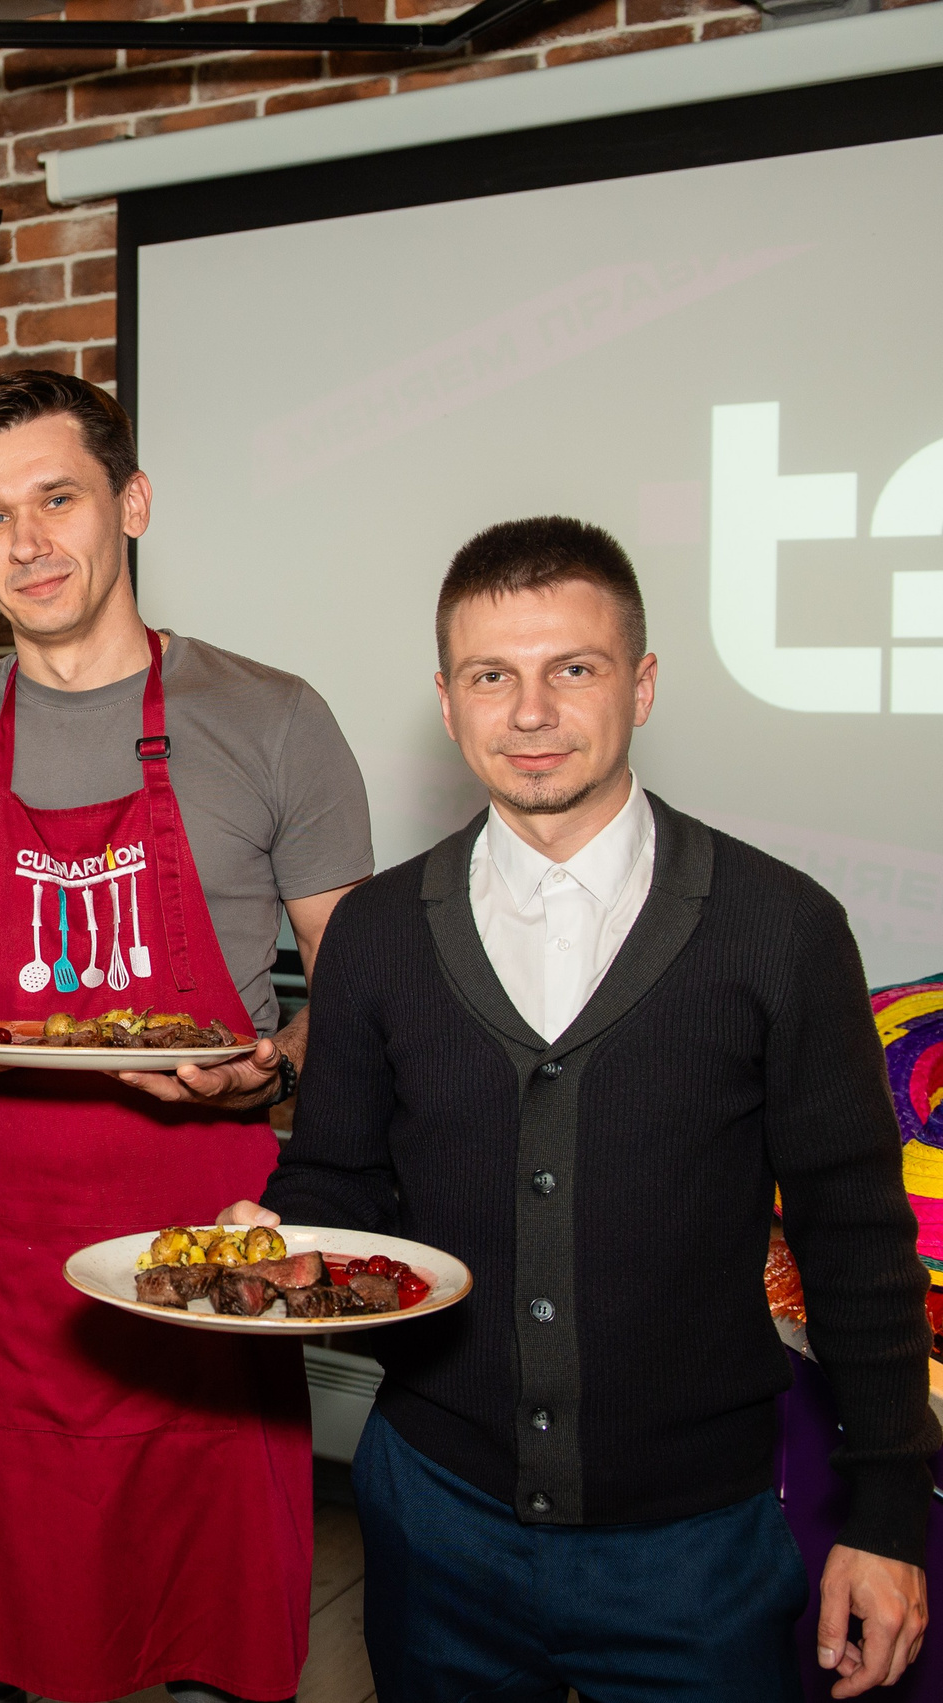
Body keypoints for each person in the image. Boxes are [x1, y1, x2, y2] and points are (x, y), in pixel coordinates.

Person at [229, 518, 938, 1702]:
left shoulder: (782, 927)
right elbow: (335, 1178)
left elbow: (855, 1234)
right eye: (489, 675)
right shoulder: (377, 933)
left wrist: (886, 1515)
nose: (530, 712)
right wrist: (286, 1236)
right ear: (446, 701)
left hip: (697, 1549)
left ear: (641, 684)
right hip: (433, 1517)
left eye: (573, 667)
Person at [0, 370, 374, 1703]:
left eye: (57, 499)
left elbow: (364, 990)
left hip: (202, 1231)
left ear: (131, 502)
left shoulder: (272, 717)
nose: (25, 542)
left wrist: (271, 1065)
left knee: (204, 1620)